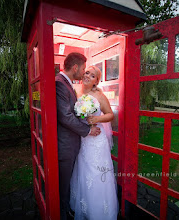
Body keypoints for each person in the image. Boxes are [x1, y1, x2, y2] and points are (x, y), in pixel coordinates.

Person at [55, 53, 101, 220]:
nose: (83, 73)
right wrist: (88, 130)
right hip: (65, 146)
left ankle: (66, 210)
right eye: (83, 69)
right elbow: (65, 117)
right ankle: (61, 214)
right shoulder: (60, 84)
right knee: (62, 187)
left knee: (66, 185)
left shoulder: (66, 84)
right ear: (75, 68)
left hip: (71, 144)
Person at [70, 66, 119, 220]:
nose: (87, 76)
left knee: (96, 174)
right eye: (86, 73)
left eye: (92, 76)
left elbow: (110, 115)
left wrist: (96, 119)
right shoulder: (75, 91)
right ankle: (84, 209)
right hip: (82, 139)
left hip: (97, 141)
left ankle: (99, 212)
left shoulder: (99, 95)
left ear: (96, 81)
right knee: (83, 172)